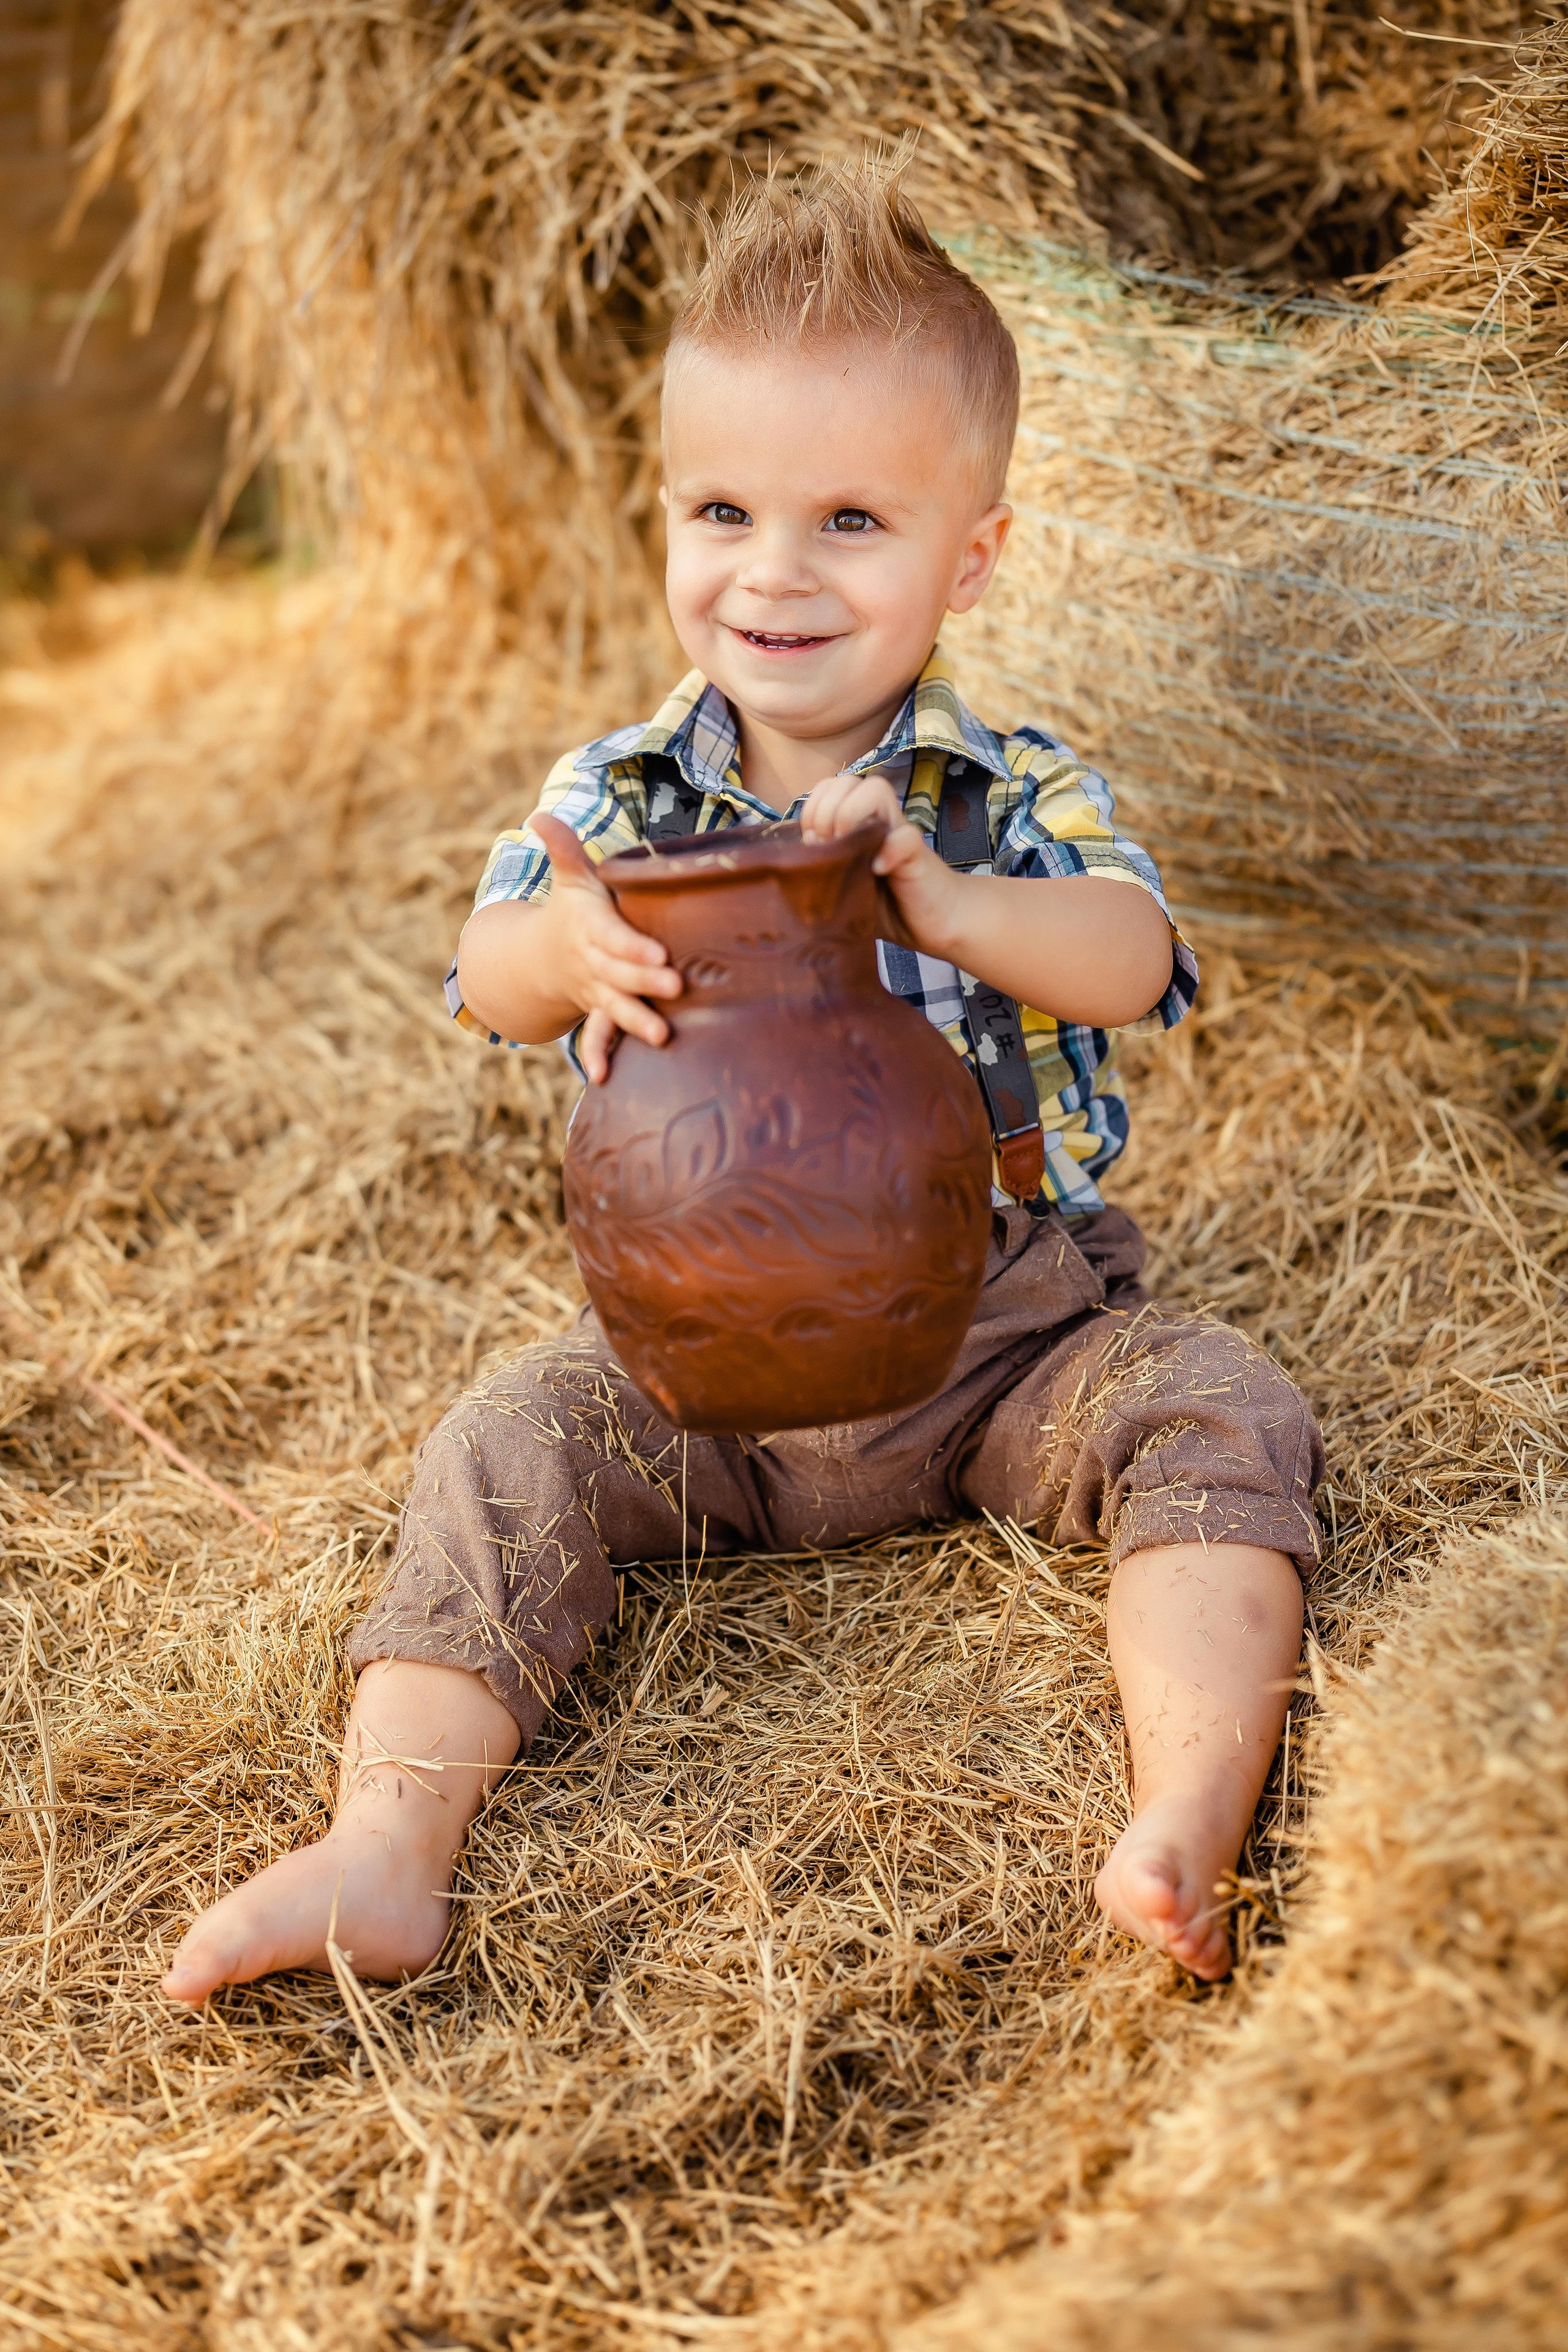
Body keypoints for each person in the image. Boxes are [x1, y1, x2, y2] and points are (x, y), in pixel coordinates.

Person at [162, 158, 1322, 2008]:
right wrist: (572, 951)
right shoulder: (617, 797)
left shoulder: (1007, 785)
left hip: (997, 1344)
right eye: (724, 509)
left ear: (972, 558)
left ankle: (1186, 1805)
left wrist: (943, 896)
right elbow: (487, 968)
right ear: (666, 522)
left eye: (850, 519)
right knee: (507, 1442)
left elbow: (1134, 954)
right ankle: (387, 1844)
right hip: (702, 1377)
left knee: (1218, 1404)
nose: (774, 573)